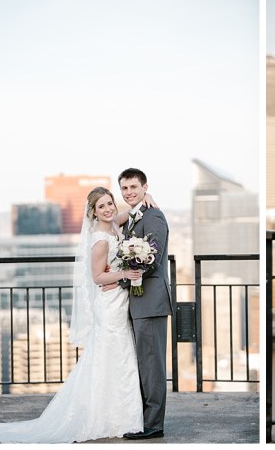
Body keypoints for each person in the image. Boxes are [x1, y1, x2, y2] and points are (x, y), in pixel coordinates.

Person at [0, 187, 145, 443]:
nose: (108, 209)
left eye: (110, 204)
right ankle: (112, 417)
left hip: (118, 299)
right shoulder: (101, 238)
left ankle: (121, 415)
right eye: (102, 206)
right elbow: (97, 277)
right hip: (109, 304)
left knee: (120, 356)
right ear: (93, 212)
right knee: (113, 357)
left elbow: (127, 215)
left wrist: (145, 199)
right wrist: (124, 274)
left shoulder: (113, 224)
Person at [117, 167, 173, 440]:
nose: (129, 192)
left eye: (134, 188)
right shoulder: (132, 217)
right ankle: (142, 419)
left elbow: (152, 256)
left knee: (151, 366)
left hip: (150, 301)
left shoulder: (154, 215)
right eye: (125, 189)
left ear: (144, 187)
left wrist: (124, 278)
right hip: (137, 303)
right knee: (141, 364)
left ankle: (153, 425)